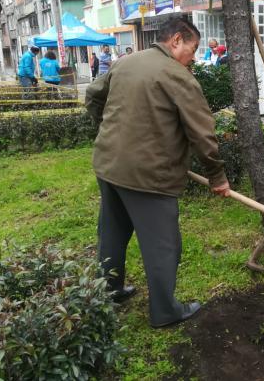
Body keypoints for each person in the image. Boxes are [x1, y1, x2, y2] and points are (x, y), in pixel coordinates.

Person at [85, 17, 230, 328]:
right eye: (192, 49)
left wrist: (108, 131)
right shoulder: (178, 76)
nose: (193, 57)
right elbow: (203, 134)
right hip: (149, 177)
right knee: (163, 245)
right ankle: (165, 310)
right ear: (176, 40)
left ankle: (109, 292)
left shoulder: (126, 62)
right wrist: (217, 177)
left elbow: (94, 96)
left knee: (112, 231)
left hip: (109, 165)